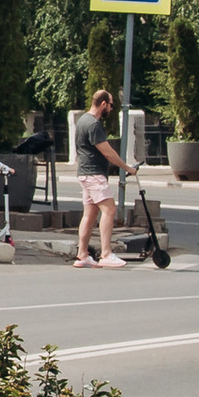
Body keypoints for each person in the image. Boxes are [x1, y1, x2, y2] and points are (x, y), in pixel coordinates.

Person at [70, 82, 127, 268]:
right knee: (109, 209)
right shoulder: (94, 125)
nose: (111, 108)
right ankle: (106, 254)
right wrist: (127, 168)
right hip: (94, 174)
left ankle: (82, 255)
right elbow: (107, 152)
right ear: (103, 104)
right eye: (111, 105)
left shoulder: (83, 120)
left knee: (90, 214)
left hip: (85, 173)